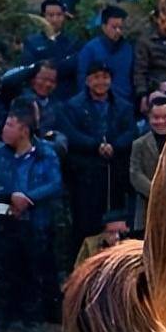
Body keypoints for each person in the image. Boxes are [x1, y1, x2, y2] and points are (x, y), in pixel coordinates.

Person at [0, 102, 62, 332]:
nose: (4, 129)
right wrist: (11, 196)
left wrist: (28, 198)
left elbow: (54, 183)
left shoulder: (46, 153)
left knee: (34, 272)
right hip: (3, 221)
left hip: (36, 223)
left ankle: (33, 322)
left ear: (24, 130)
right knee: (2, 272)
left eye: (10, 125)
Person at [58, 61, 134, 263]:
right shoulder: (73, 106)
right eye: (96, 77)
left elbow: (131, 132)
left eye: (105, 77)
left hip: (115, 177)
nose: (101, 82)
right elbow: (70, 134)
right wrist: (95, 146)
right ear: (87, 80)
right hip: (85, 177)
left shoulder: (124, 106)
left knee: (118, 229)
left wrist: (115, 146)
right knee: (85, 227)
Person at [129, 94, 166, 235]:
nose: (161, 121)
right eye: (156, 117)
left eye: (165, 117)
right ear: (149, 118)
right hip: (148, 206)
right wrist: (156, 192)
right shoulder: (139, 144)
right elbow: (135, 174)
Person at [21, 0, 80, 99]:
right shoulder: (31, 41)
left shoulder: (74, 42)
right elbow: (30, 69)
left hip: (66, 97)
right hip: (38, 97)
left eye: (59, 15)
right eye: (51, 15)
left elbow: (74, 66)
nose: (55, 20)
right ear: (43, 17)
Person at [77, 5, 134, 103]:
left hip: (124, 104)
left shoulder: (129, 49)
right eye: (114, 27)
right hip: (97, 103)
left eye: (121, 27)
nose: (118, 31)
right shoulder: (90, 49)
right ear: (104, 27)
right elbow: (82, 77)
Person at [133, 8, 166, 112]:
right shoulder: (146, 42)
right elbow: (140, 71)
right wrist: (143, 94)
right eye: (163, 21)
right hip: (157, 87)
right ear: (156, 20)